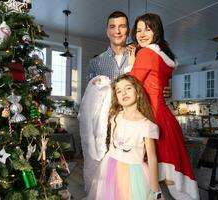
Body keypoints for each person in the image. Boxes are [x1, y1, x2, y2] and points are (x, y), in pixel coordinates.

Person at [80, 10, 171, 193]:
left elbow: (155, 79)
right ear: (107, 31)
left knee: (133, 178)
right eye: (113, 27)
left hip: (135, 127)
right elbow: (89, 98)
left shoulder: (143, 52)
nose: (118, 31)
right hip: (106, 127)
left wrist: (164, 90)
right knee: (104, 176)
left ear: (128, 29)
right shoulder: (96, 62)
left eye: (122, 26)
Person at [128, 13, 199, 200]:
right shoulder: (162, 55)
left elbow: (130, 87)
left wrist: (130, 64)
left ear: (156, 31)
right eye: (139, 30)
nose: (141, 34)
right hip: (165, 119)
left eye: (147, 29)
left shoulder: (145, 53)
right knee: (171, 180)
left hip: (152, 119)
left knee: (152, 178)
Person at [87, 74, 162, 200]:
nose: (123, 93)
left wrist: (155, 190)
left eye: (128, 88)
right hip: (110, 167)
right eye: (119, 91)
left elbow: (152, 158)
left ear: (138, 93)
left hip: (134, 174)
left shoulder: (147, 126)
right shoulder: (115, 117)